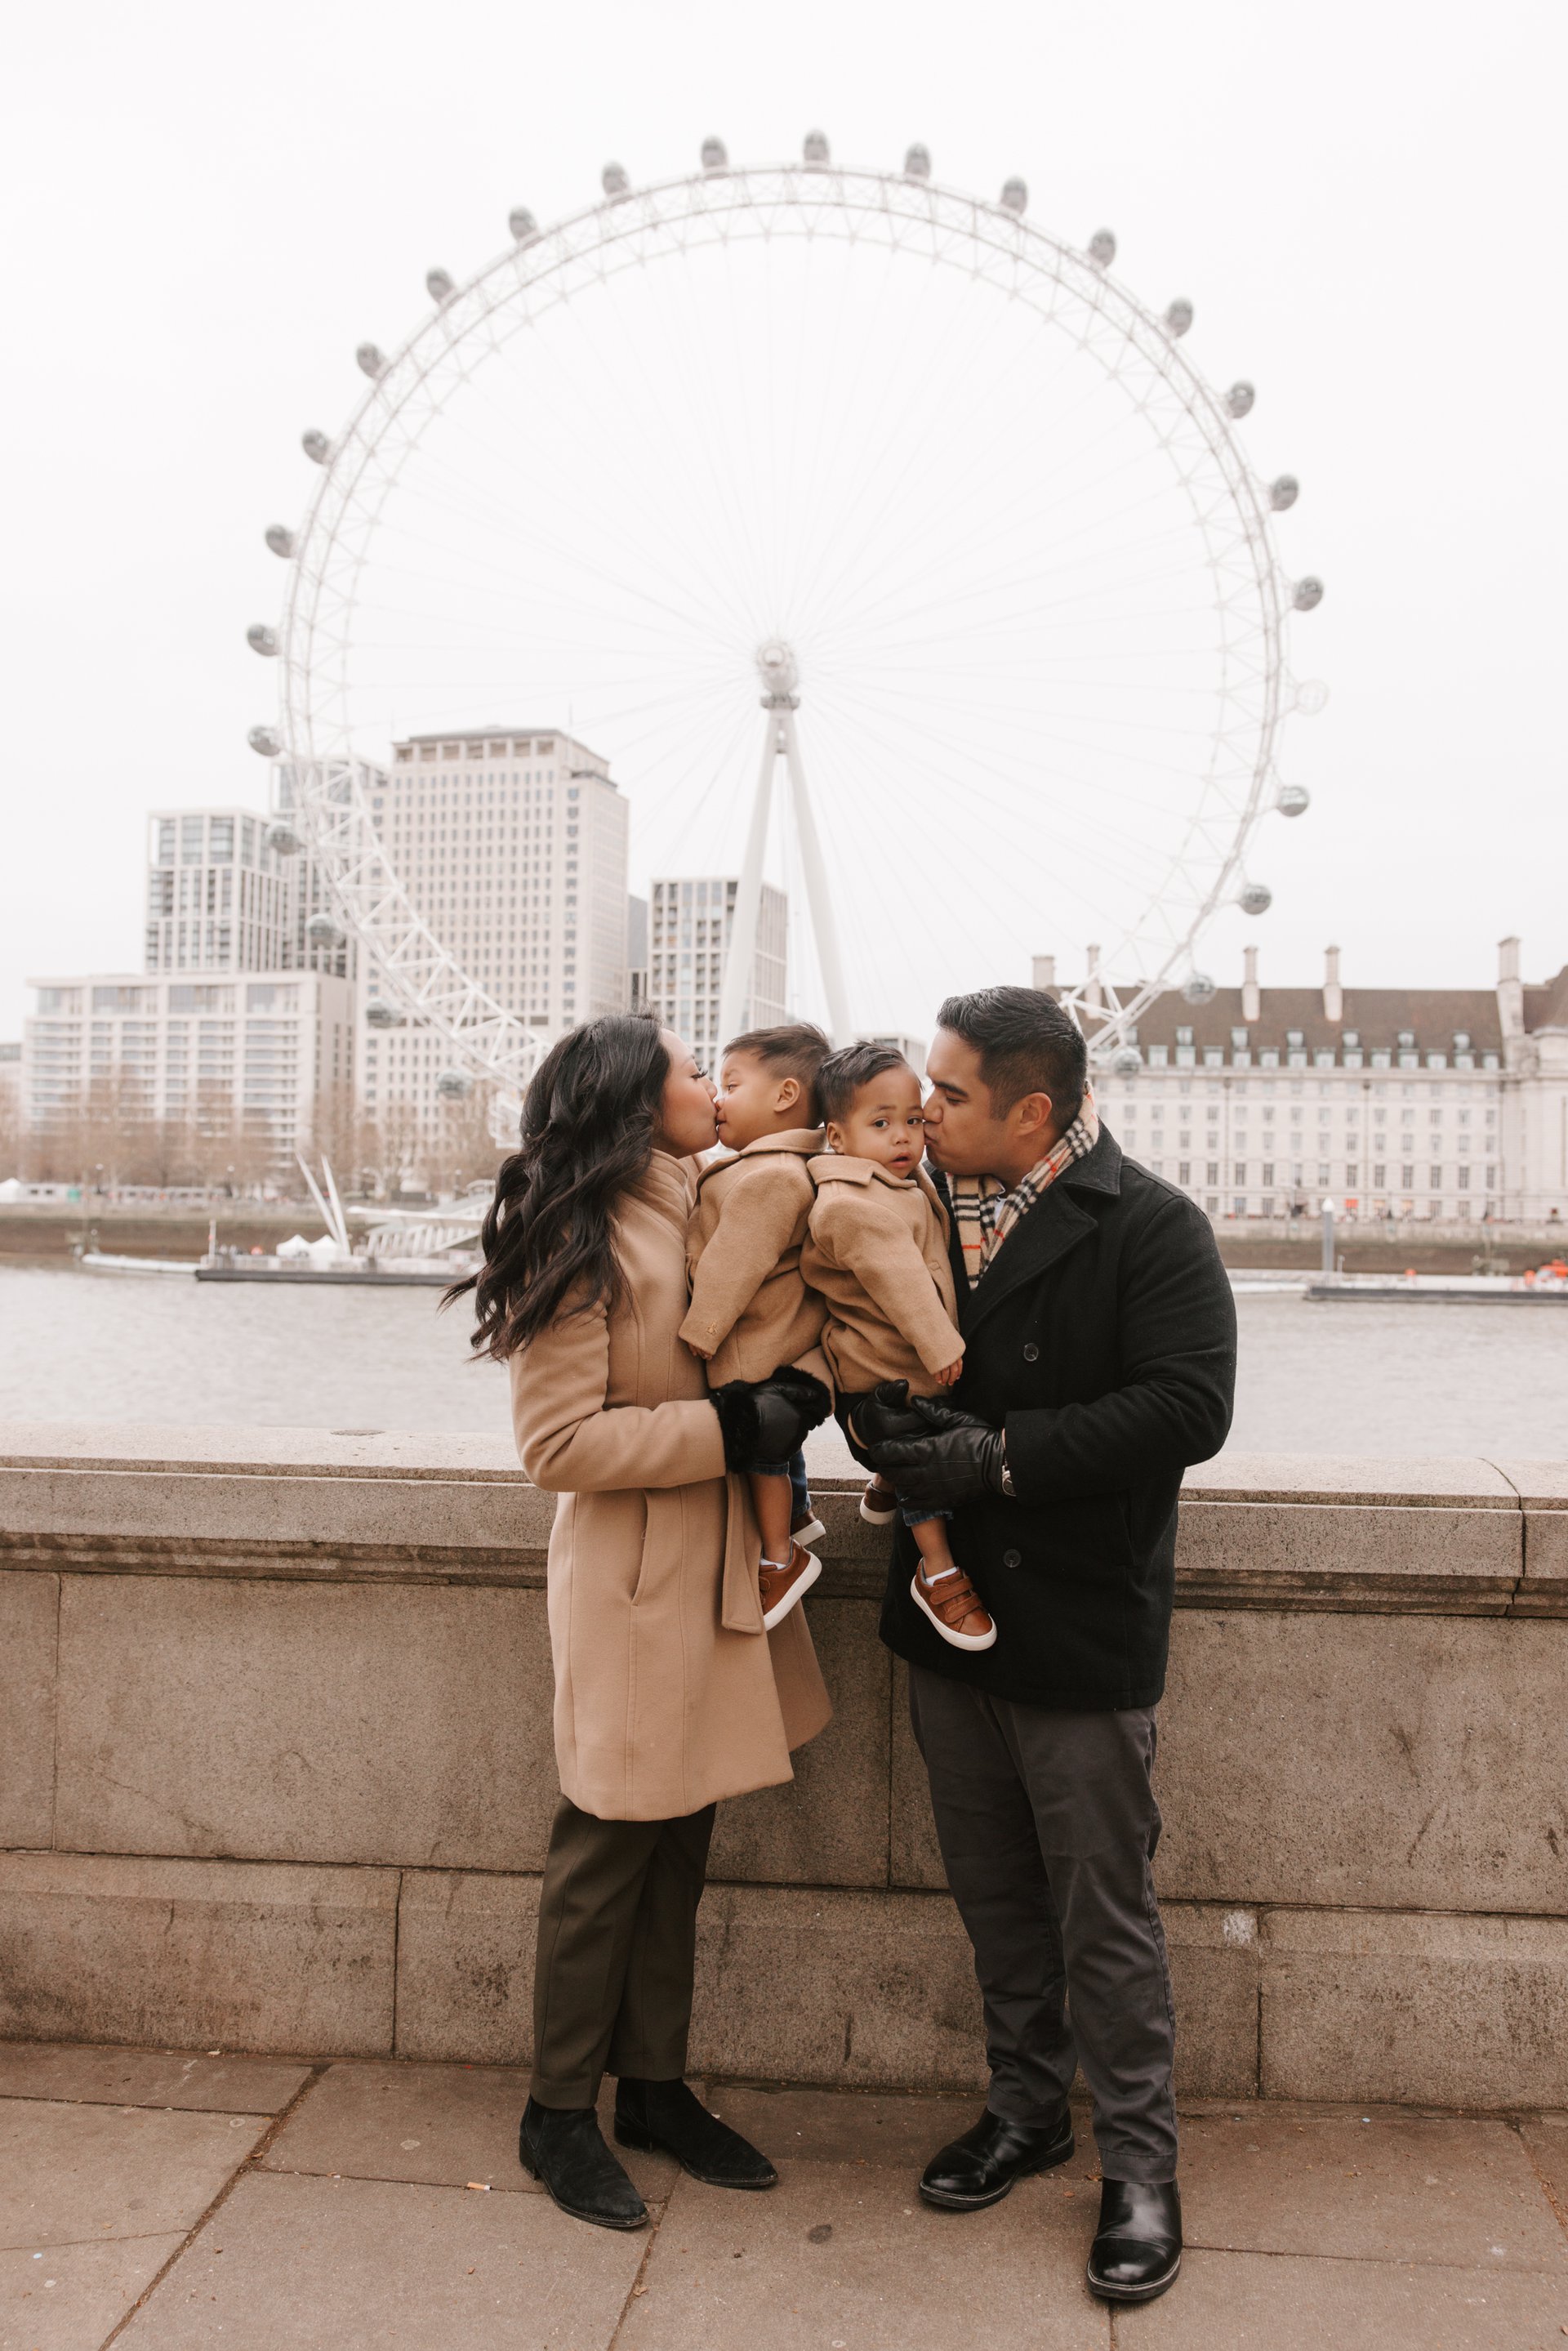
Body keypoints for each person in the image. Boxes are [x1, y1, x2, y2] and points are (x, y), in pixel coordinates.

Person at [854, 986, 1236, 2306]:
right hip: (949, 1614)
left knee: (1103, 1913)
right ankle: (1026, 2110)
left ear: (1032, 1111)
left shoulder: (1154, 1225)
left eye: (951, 1091)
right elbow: (859, 1344)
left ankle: (1142, 2167)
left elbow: (1188, 1406)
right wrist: (886, 1433)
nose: (925, 1106)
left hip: (1078, 1617)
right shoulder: (907, 1208)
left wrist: (996, 1457)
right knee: (997, 1898)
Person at [451, 1014, 831, 2232]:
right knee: (607, 1845)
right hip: (630, 1581)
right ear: (632, 1099)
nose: (712, 1082)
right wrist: (735, 1428)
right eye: (688, 1069)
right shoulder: (578, 1232)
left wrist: (798, 1388)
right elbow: (558, 1445)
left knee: (682, 1836)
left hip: (711, 1566)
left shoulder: (699, 1197)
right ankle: (558, 2109)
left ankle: (655, 2088)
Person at [802, 1042, 995, 1650]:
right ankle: (937, 1571)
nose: (904, 1136)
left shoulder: (898, 1182)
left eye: (913, 1119)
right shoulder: (850, 1204)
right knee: (920, 1458)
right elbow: (900, 1280)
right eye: (881, 1123)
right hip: (884, 1367)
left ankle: (885, 1485)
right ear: (837, 1137)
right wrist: (941, 1346)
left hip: (899, 1355)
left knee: (911, 1445)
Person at [679, 1023, 835, 1631]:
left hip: (754, 1346)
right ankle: (797, 1515)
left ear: (785, 1095)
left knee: (760, 1450)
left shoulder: (769, 1176)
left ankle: (780, 1557)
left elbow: (732, 1266)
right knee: (782, 1443)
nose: (718, 1099)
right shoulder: (797, 1166)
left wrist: (701, 1332)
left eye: (732, 1085)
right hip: (787, 1346)